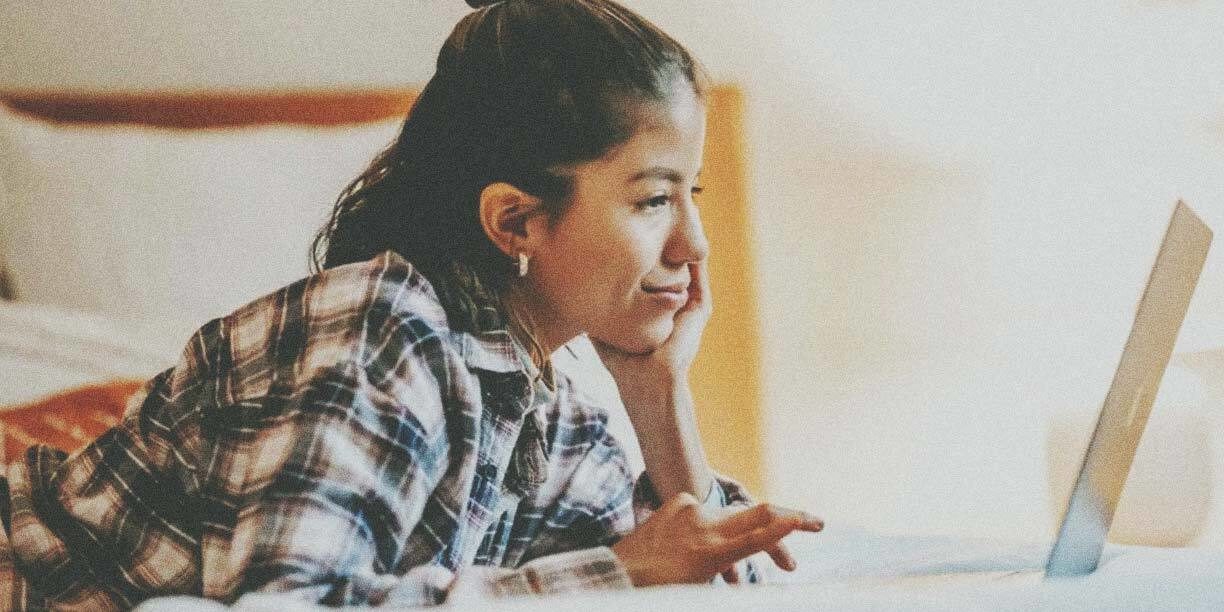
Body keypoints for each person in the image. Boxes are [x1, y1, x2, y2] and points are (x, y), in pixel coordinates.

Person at [0, 0, 823, 608]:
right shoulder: (378, 332)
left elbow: (724, 588)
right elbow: (287, 602)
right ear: (516, 220)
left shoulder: (541, 410)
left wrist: (659, 395)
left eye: (695, 193)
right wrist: (617, 571)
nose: (696, 245)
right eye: (652, 200)